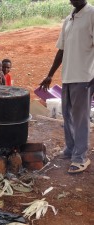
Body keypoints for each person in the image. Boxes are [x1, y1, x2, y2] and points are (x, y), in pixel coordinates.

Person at [39, 0, 94, 174]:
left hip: (84, 77)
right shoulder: (68, 19)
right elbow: (61, 50)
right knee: (68, 115)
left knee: (80, 118)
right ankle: (71, 149)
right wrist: (50, 74)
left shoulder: (91, 14)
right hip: (68, 77)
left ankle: (80, 157)